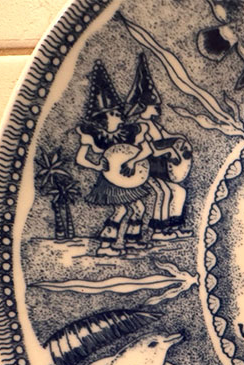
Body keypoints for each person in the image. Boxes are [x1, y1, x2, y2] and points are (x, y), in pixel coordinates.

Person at [76, 60, 151, 256]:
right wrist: (96, 166)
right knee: (121, 210)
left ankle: (132, 241)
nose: (119, 116)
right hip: (110, 180)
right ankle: (106, 245)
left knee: (139, 208)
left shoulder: (129, 132)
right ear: (105, 116)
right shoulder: (94, 136)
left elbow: (146, 150)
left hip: (128, 176)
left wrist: (132, 161)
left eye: (119, 113)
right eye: (115, 114)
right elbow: (81, 159)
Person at [126, 53, 192, 241]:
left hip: (158, 169)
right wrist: (170, 150)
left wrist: (180, 139)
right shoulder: (140, 126)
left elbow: (166, 137)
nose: (157, 108)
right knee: (163, 192)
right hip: (145, 169)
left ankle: (173, 227)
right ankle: (158, 231)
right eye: (154, 105)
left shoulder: (153, 125)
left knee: (179, 191)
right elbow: (151, 150)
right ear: (144, 106)